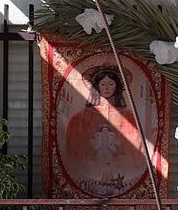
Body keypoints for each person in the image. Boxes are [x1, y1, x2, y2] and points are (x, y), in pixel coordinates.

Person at [62, 65, 146, 197]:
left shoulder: (129, 117)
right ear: (97, 86)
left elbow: (136, 150)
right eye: (103, 84)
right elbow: (74, 151)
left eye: (111, 84)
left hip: (121, 171)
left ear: (117, 87)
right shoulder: (79, 119)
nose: (107, 88)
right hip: (90, 172)